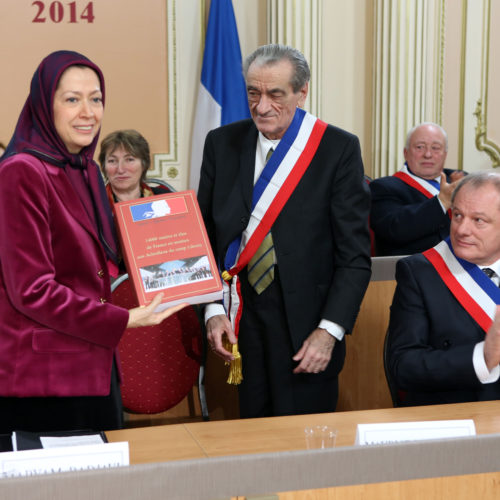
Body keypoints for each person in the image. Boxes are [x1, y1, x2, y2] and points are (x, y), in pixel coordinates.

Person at [0, 51, 186, 433]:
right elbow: (32, 291)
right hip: (43, 382)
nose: (88, 112)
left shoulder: (85, 168)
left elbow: (100, 265)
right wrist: (125, 318)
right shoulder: (22, 172)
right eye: (72, 99)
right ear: (43, 106)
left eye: (96, 98)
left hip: (94, 366)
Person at [197, 44, 372, 418]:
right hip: (240, 323)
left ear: (301, 91)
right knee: (251, 443)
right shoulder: (221, 144)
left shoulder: (338, 149)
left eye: (275, 94)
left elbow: (354, 258)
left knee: (305, 453)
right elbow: (208, 239)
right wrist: (212, 308)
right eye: (253, 93)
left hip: (309, 330)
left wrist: (329, 332)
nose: (261, 107)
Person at [387, 171, 500, 406]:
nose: (461, 230)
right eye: (457, 215)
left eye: (478, 220)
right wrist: (481, 358)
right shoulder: (419, 272)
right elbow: (403, 366)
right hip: (458, 418)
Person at [369, 122, 465, 256]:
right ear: (406, 153)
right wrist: (442, 201)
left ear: (445, 154)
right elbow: (395, 229)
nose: (428, 154)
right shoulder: (383, 187)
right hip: (417, 270)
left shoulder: (461, 179)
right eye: (420, 147)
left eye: (436, 148)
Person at [98, 129, 171, 205]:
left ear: (144, 164)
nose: (120, 170)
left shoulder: (165, 199)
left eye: (129, 160)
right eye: (112, 161)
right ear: (104, 166)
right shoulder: (92, 206)